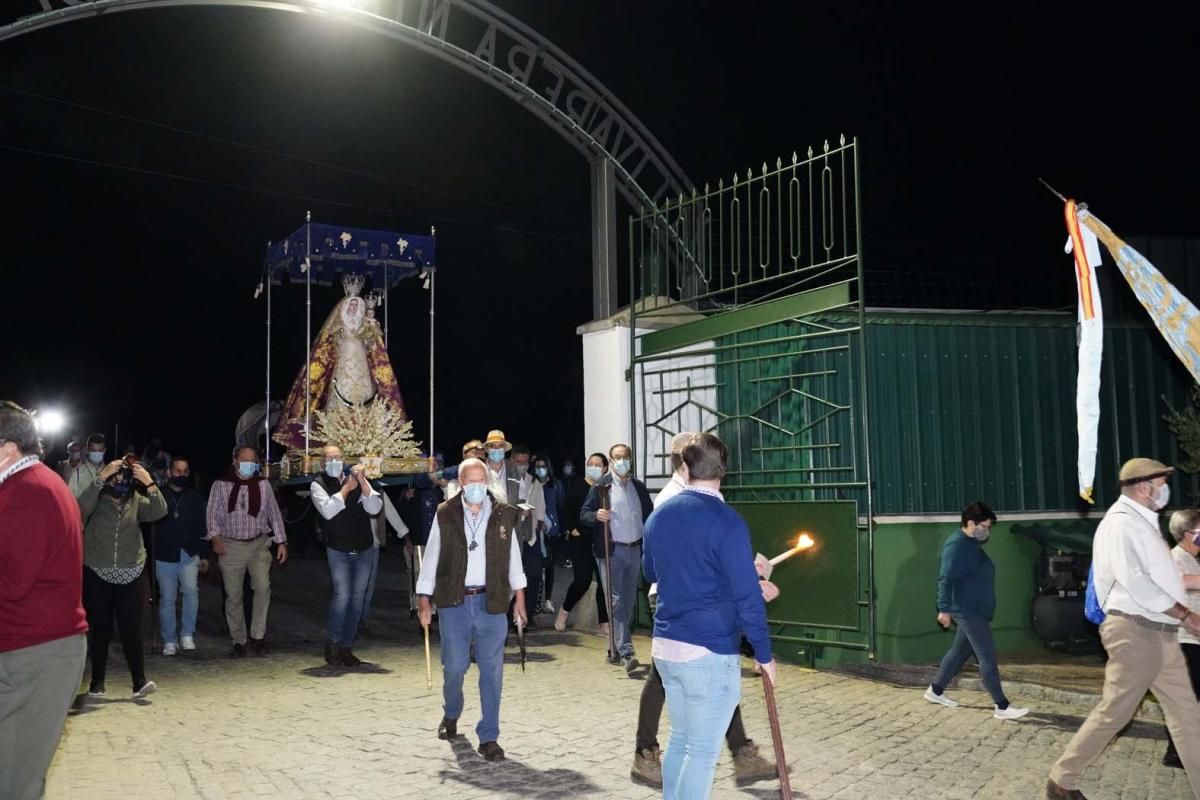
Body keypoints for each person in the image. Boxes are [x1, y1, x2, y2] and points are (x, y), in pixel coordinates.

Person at [631, 432, 778, 788]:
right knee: (700, 751)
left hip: (667, 646)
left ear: (686, 466)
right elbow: (747, 599)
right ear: (723, 471)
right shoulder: (727, 521)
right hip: (708, 650)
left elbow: (651, 573)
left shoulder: (659, 514)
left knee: (681, 741)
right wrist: (764, 654)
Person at [1047, 458, 1200, 800]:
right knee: (1117, 710)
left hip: (1160, 631)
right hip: (1133, 630)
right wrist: (1188, 616)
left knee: (1187, 714)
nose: (1165, 490)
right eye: (1162, 483)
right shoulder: (1120, 525)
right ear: (1146, 488)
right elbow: (1138, 584)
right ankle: (1062, 778)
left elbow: (1163, 579)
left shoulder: (1144, 524)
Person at [0, 402, 89, 800]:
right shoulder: (25, 486)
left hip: (35, 655)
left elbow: (11, 581)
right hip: (26, 648)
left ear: (6, 448)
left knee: (13, 781)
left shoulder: (29, 492)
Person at [416, 457, 528, 762]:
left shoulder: (504, 514)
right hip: (455, 602)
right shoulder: (446, 513)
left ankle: (489, 736)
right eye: (471, 481)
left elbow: (513, 557)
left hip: (492, 601)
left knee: (492, 672)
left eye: (482, 480)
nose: (477, 486)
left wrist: (519, 597)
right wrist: (424, 597)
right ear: (461, 484)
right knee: (454, 668)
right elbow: (432, 556)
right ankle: (451, 713)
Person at [923, 501, 1029, 720]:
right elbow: (945, 577)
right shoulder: (956, 544)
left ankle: (935, 690)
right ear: (971, 524)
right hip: (966, 609)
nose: (987, 532)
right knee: (986, 655)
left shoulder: (969, 542)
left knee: (960, 651)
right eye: (984, 527)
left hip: (972, 607)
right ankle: (1002, 706)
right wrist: (943, 609)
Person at [77, 450, 167, 697]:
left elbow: (160, 511)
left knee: (131, 628)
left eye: (123, 478)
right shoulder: (96, 500)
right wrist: (101, 475)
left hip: (131, 571)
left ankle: (139, 681)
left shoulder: (137, 501)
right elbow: (80, 507)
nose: (120, 482)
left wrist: (148, 481)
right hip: (97, 570)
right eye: (114, 478)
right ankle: (97, 682)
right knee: (101, 629)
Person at [206, 445, 288, 658]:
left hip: (259, 543)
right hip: (230, 545)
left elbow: (274, 514)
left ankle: (258, 636)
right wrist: (215, 538)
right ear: (234, 461)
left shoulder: (263, 485)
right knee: (234, 595)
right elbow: (211, 514)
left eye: (253, 461)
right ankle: (238, 640)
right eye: (244, 460)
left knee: (263, 587)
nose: (248, 465)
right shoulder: (221, 485)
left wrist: (281, 542)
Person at [580, 442, 653, 673]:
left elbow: (649, 516)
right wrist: (596, 515)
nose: (622, 462)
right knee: (616, 601)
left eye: (626, 458)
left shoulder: (639, 488)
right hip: (611, 551)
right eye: (617, 458)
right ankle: (627, 651)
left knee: (628, 601)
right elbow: (584, 514)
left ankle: (613, 649)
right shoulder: (602, 487)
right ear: (611, 461)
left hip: (634, 549)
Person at [311, 445, 381, 666]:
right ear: (322, 462)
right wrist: (346, 489)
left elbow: (374, 507)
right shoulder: (317, 484)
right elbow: (328, 511)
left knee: (357, 600)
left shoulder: (355, 477)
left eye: (338, 458)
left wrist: (361, 481)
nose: (334, 462)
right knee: (342, 596)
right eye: (329, 459)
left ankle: (346, 646)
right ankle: (332, 642)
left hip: (363, 548)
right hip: (338, 548)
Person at [155, 457, 209, 655]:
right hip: (164, 554)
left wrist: (204, 555)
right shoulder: (159, 496)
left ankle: (187, 634)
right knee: (167, 599)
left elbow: (203, 527)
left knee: (191, 592)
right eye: (177, 471)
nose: (181, 475)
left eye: (185, 471)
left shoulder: (195, 498)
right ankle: (169, 639)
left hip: (189, 553)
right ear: (169, 472)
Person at [1161, 508, 1200, 769]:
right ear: (1188, 534)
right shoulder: (1175, 559)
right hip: (1183, 638)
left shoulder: (1193, 558)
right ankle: (1176, 752)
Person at [554, 452, 609, 635]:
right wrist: (571, 529)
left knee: (603, 583)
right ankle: (564, 611)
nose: (594, 467)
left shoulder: (606, 487)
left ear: (605, 468)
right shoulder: (577, 484)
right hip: (580, 540)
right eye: (590, 463)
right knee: (582, 580)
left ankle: (604, 623)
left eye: (598, 464)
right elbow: (566, 509)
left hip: (601, 539)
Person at [533, 453, 566, 612]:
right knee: (537, 566)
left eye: (543, 466)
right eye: (538, 467)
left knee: (550, 565)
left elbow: (561, 507)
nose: (540, 469)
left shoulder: (556, 485)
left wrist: (561, 528)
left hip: (552, 531)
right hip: (535, 530)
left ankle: (548, 600)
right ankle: (536, 601)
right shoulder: (531, 484)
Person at [67, 432, 107, 498]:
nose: (97, 453)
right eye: (93, 450)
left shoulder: (110, 473)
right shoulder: (77, 473)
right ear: (87, 450)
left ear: (104, 451)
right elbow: (70, 500)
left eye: (100, 451)